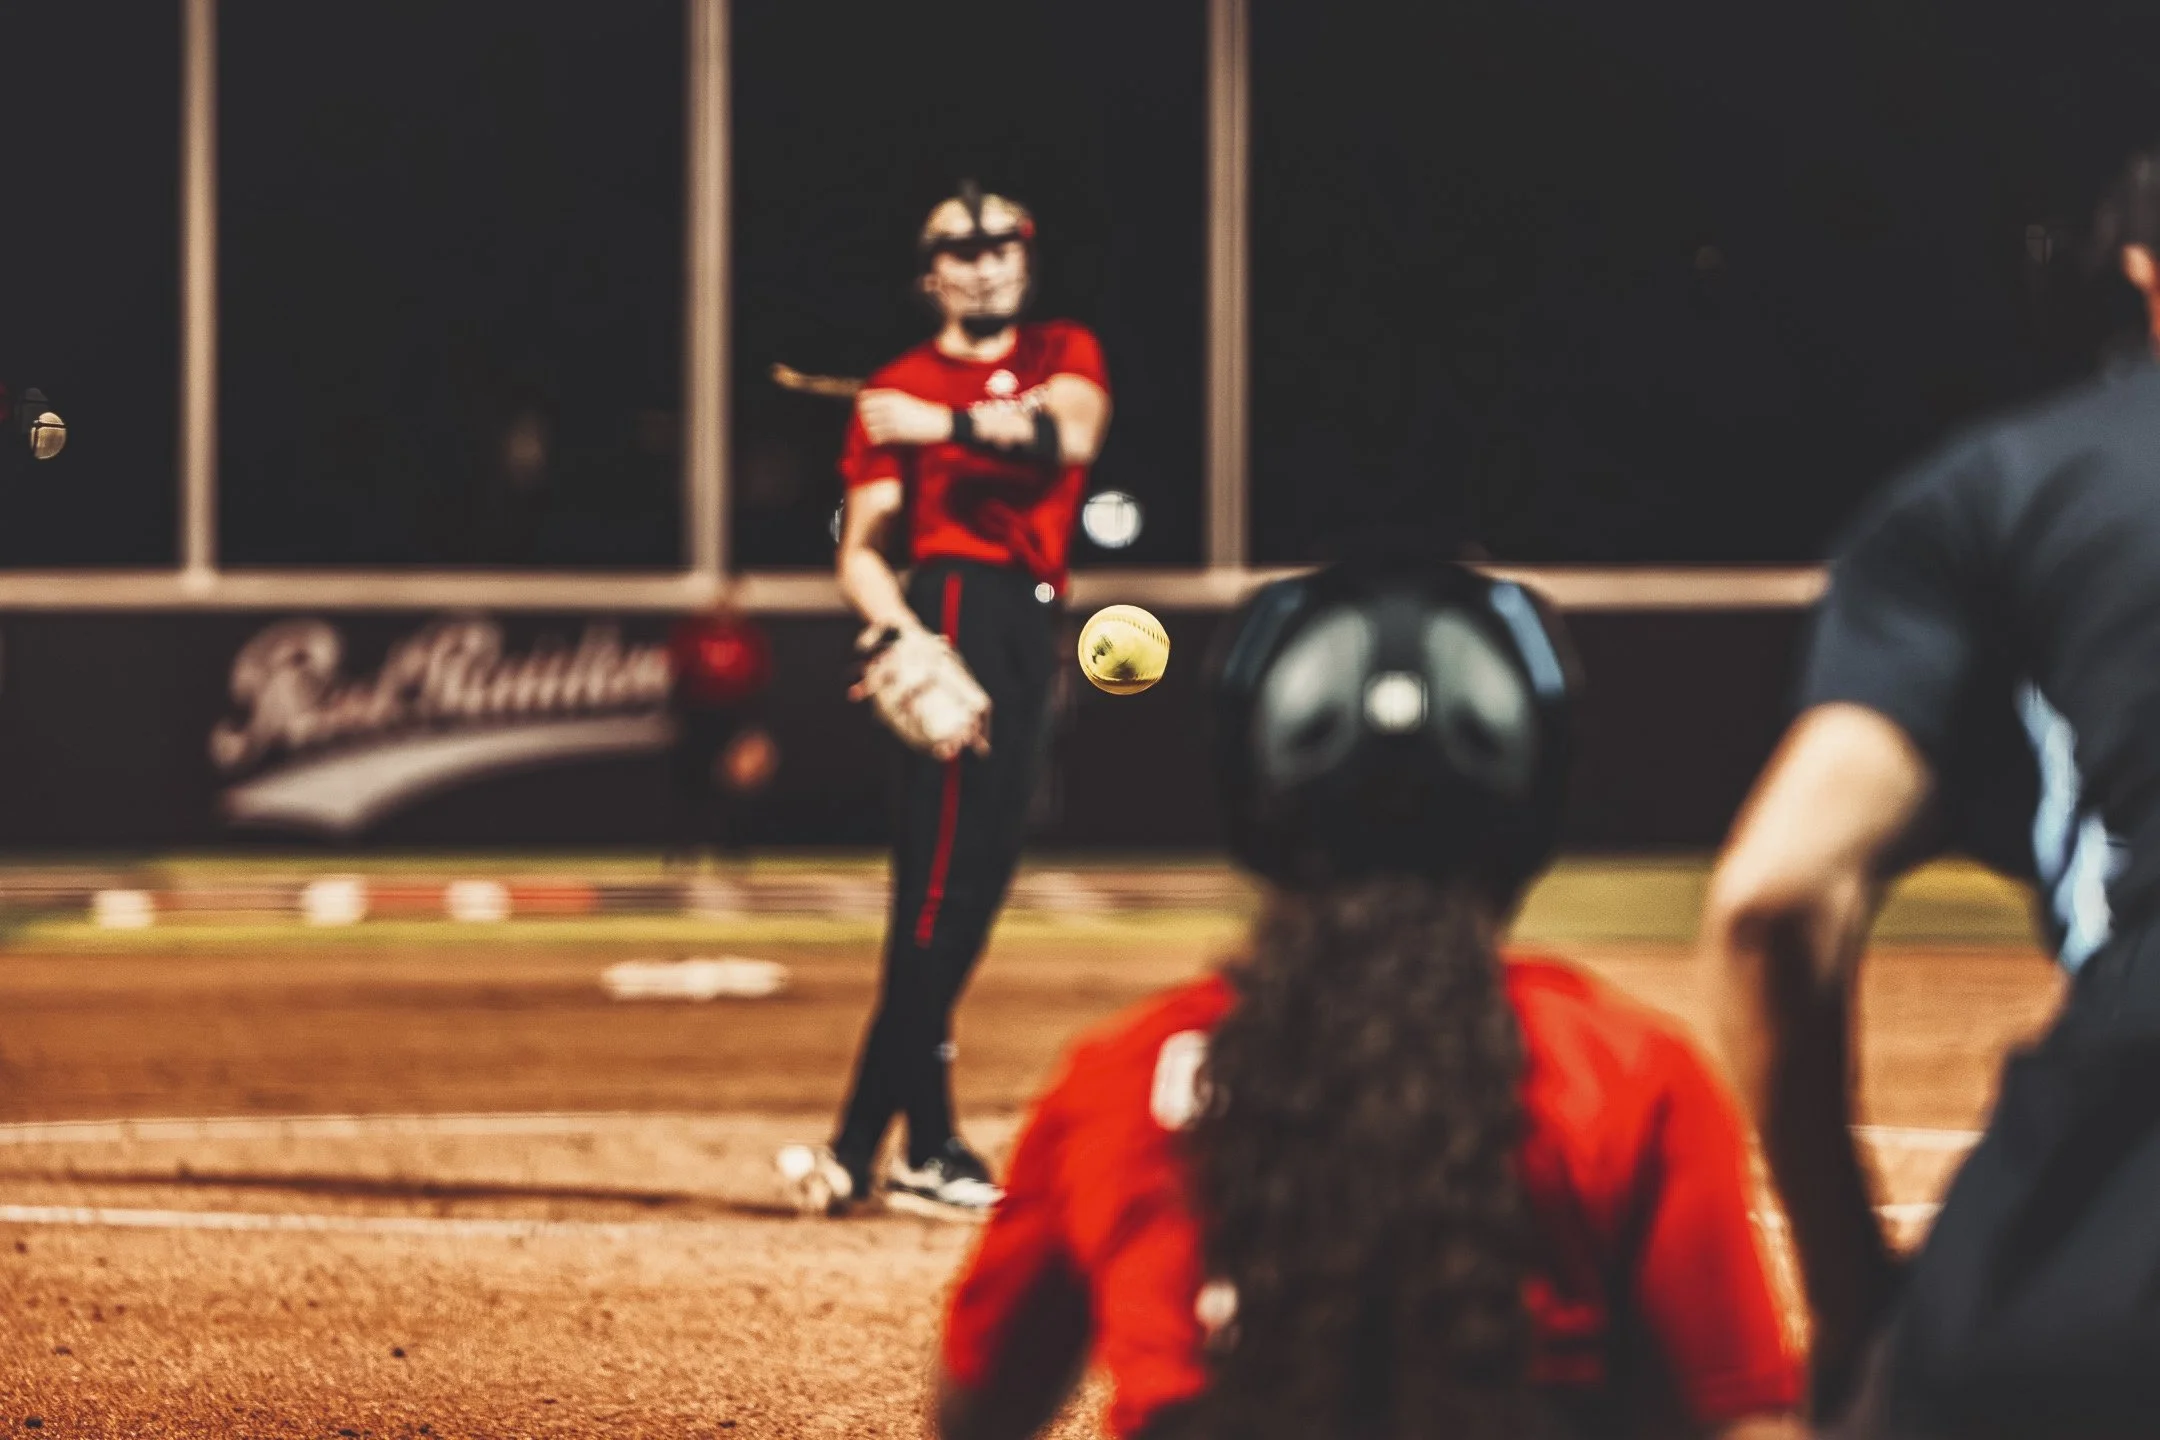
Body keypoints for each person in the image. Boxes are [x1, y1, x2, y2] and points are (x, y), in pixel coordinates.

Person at [935, 559, 1805, 1440]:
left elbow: (975, 1415)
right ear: (1530, 790)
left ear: (1255, 784)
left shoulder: (1118, 1079)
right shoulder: (1630, 1074)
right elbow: (1746, 1421)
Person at [1702, 143, 2160, 1437]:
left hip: (2114, 1209)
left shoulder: (2001, 493)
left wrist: (1853, 1308)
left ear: (2137, 273)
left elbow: (1770, 900)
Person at [778, 183, 1112, 1218]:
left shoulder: (1062, 351)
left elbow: (1072, 438)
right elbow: (862, 552)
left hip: (1027, 625)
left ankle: (885, 1145)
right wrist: (900, 636)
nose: (982, 261)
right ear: (930, 272)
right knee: (935, 895)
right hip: (953, 608)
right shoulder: (895, 385)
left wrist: (944, 420)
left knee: (969, 895)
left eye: (1001, 243)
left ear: (1025, 258)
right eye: (958, 248)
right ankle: (896, 1144)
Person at [664, 598, 777, 864]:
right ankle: (687, 846)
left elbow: (760, 680)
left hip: (735, 719)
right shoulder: (692, 635)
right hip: (698, 716)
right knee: (693, 783)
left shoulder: (749, 637)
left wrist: (754, 729)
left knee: (738, 786)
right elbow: (678, 673)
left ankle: (734, 848)